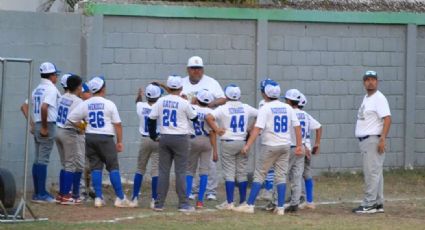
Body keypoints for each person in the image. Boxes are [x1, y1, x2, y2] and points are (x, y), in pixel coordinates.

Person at [233, 81, 302, 216]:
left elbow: (257, 128)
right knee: (281, 176)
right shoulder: (287, 107)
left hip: (270, 145)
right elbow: (297, 126)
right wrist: (299, 145)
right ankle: (280, 207)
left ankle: (250, 205)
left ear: (264, 93)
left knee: (260, 174)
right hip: (285, 145)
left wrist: (247, 145)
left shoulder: (265, 107)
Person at [67, 76, 130, 208]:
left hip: (90, 137)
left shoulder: (86, 103)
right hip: (106, 138)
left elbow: (71, 118)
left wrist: (83, 127)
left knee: (96, 167)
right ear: (102, 88)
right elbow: (117, 124)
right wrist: (119, 142)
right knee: (113, 167)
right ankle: (120, 197)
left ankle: (99, 198)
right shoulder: (109, 103)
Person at [148, 75, 198, 212]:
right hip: (181, 138)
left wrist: (153, 136)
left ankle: (159, 203)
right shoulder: (183, 102)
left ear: (168, 88)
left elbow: (151, 119)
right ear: (181, 88)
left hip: (164, 137)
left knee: (163, 171)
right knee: (181, 171)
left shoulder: (161, 101)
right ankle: (183, 203)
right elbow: (194, 117)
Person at [205, 84, 258, 210]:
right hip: (243, 142)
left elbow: (208, 117)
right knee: (242, 173)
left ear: (226, 96)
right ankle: (243, 201)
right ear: (239, 95)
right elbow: (260, 115)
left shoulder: (223, 108)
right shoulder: (246, 107)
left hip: (228, 142)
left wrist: (217, 130)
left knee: (229, 173)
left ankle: (229, 202)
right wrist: (251, 127)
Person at [182, 56, 226, 201]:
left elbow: (223, 98)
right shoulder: (182, 82)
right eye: (194, 68)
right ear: (188, 69)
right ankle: (194, 191)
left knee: (206, 165)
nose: (196, 71)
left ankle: (210, 190)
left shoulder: (211, 82)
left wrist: (210, 104)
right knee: (194, 165)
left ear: (203, 69)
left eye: (199, 68)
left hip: (205, 128)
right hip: (192, 129)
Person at [352, 70, 391, 214]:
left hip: (373, 139)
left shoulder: (378, 98)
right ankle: (378, 203)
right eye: (367, 79)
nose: (370, 82)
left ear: (377, 81)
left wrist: (382, 138)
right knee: (376, 173)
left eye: (373, 79)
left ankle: (369, 204)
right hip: (367, 140)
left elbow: (387, 118)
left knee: (371, 173)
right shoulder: (367, 97)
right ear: (364, 82)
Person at [25, 62, 61, 203]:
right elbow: (45, 107)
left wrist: (33, 124)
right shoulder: (50, 89)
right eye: (55, 75)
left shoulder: (38, 89)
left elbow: (24, 106)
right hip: (47, 124)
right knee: (43, 160)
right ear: (51, 76)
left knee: (38, 159)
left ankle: (38, 192)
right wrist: (45, 127)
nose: (56, 77)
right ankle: (41, 194)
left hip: (39, 124)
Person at [129, 84, 163, 208]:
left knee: (140, 169)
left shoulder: (141, 106)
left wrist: (139, 95)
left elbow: (138, 102)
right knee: (155, 171)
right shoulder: (160, 107)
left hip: (144, 139)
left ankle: (134, 198)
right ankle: (154, 200)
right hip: (157, 139)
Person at [54, 74, 85, 205]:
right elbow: (77, 121)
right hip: (69, 133)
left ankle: (63, 194)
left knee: (66, 164)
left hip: (58, 131)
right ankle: (66, 195)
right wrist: (83, 127)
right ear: (78, 87)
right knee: (71, 164)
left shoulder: (62, 97)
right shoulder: (78, 101)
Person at [186, 89, 218, 209]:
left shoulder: (191, 107)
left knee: (189, 171)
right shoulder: (211, 112)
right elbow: (213, 133)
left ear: (197, 99)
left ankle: (188, 196)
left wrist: (193, 100)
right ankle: (200, 201)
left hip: (193, 139)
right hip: (206, 141)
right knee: (204, 172)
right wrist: (215, 150)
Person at [297, 93, 322, 210]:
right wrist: (317, 143)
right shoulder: (306, 115)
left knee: (294, 174)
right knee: (306, 174)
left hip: (297, 148)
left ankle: (296, 199)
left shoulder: (291, 113)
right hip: (306, 147)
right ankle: (309, 201)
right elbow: (319, 127)